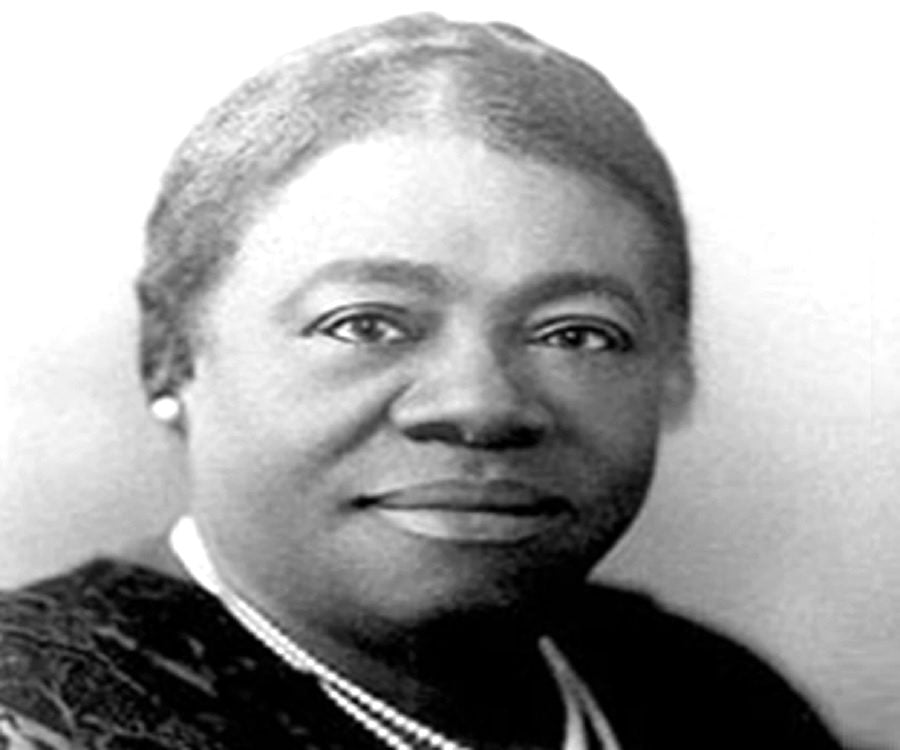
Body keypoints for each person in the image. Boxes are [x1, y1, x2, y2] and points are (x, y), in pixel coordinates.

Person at [0, 13, 842, 749]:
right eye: (366, 324)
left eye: (575, 334)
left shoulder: (717, 701)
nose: (481, 406)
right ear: (169, 353)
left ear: (673, 370)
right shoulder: (36, 708)